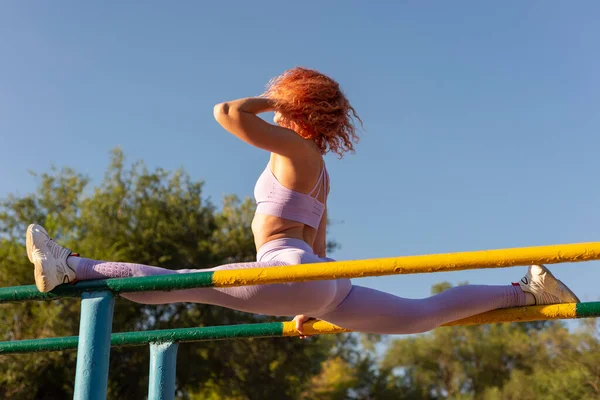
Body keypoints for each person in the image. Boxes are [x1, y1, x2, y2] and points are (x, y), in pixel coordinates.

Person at [26, 67, 579, 336]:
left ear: (297, 107)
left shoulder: (295, 148)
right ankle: (523, 290)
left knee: (179, 281)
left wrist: (279, 98)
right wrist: (308, 295)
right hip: (316, 275)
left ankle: (70, 266)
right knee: (420, 315)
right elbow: (317, 242)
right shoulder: (318, 169)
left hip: (293, 271)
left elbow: (226, 111)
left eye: (287, 99)